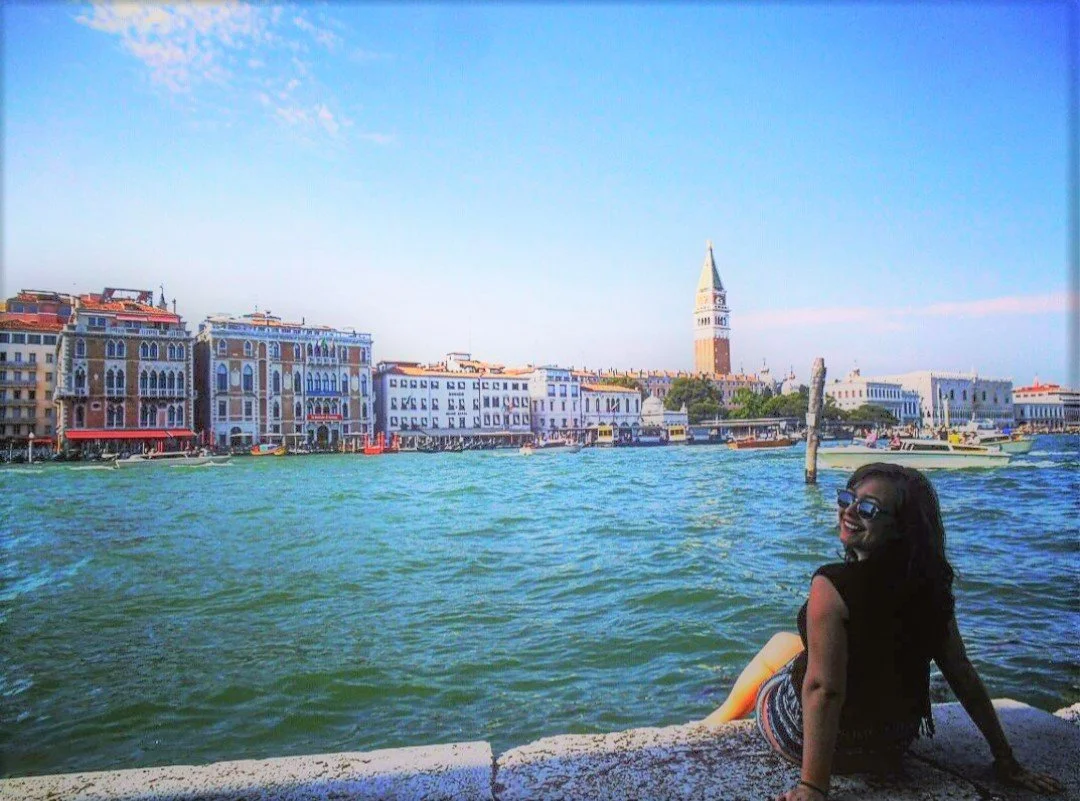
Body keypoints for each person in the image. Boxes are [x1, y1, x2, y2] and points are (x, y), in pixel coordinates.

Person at [701, 463, 1062, 800]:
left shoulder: (832, 585)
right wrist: (1005, 758)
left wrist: (813, 786)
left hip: (819, 740)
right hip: (893, 740)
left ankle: (714, 719)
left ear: (900, 527)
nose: (849, 511)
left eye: (869, 508)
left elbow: (824, 690)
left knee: (782, 647)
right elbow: (960, 671)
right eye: (847, 499)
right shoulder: (931, 585)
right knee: (803, 645)